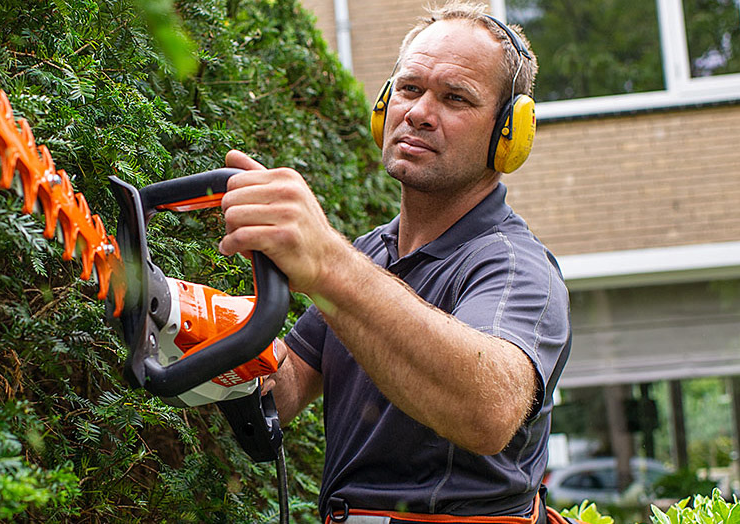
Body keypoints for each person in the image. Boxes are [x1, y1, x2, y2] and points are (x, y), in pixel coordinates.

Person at [217, 2, 572, 523]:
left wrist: (331, 264)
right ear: (385, 104)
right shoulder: (371, 254)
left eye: (455, 98)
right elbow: (287, 388)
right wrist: (201, 326)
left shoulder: (516, 267)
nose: (420, 112)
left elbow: (488, 411)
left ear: (508, 136)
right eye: (409, 89)